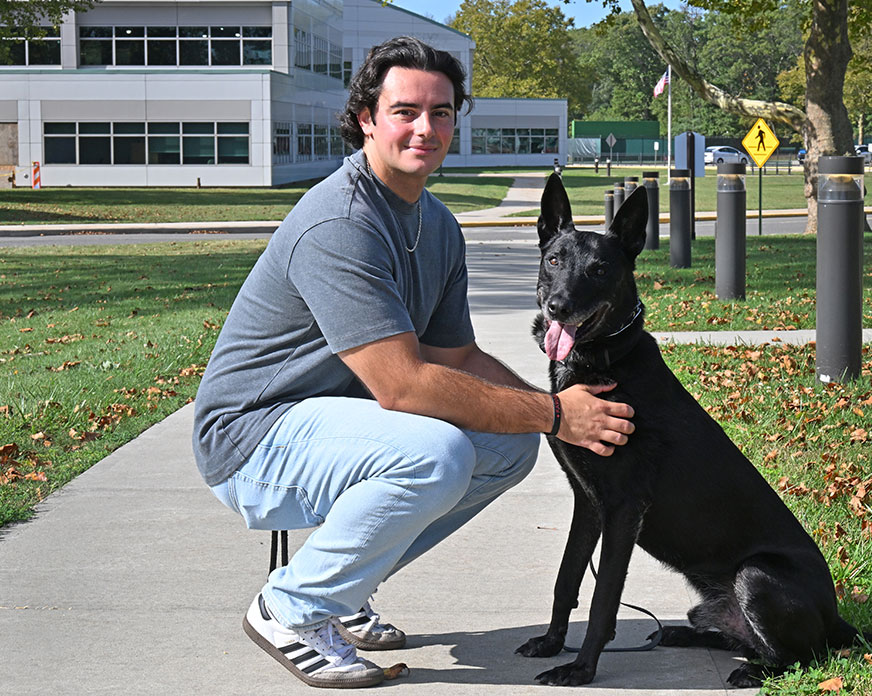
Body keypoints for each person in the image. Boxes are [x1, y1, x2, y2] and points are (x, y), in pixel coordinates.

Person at [191, 36, 634, 689]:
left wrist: (562, 415)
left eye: (442, 112)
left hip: (334, 423)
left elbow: (455, 356)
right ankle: (290, 608)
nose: (425, 127)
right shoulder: (341, 222)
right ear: (367, 118)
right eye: (405, 111)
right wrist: (553, 413)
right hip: (251, 439)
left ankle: (343, 588)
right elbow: (402, 385)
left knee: (509, 447)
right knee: (436, 455)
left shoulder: (436, 224)